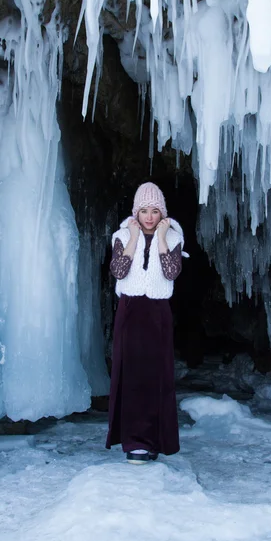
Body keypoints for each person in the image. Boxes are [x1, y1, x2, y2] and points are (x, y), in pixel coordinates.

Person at [106, 182, 185, 464]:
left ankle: (154, 442)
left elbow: (171, 272)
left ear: (162, 213)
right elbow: (118, 270)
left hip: (157, 313)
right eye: (143, 211)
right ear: (135, 212)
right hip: (130, 311)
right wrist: (132, 239)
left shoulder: (174, 238)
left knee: (157, 376)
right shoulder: (122, 235)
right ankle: (134, 442)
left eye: (154, 211)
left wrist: (162, 237)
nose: (149, 217)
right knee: (131, 376)